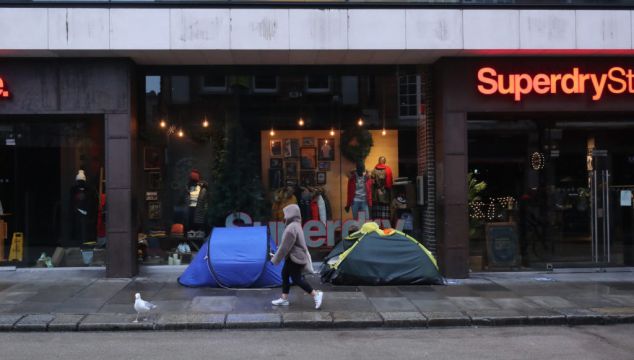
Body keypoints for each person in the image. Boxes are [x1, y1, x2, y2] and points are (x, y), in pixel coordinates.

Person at [270, 204, 324, 309]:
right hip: (294, 256)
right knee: (285, 274)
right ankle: (284, 299)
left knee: (296, 279)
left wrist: (275, 259)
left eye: (285, 214)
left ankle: (315, 294)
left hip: (295, 257)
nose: (284, 216)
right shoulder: (296, 225)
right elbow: (287, 245)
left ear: (290, 215)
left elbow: (285, 247)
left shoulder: (291, 228)